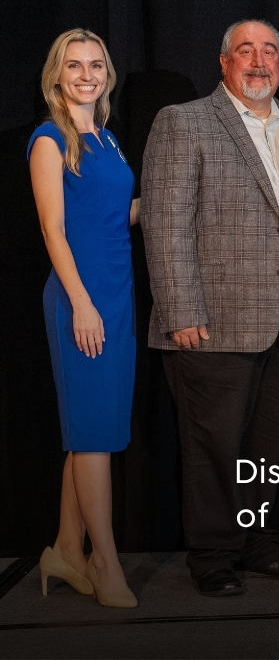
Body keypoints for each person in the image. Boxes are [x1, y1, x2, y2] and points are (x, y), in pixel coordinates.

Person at [141, 19, 279, 596]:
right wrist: (180, 309)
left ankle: (261, 547)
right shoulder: (184, 121)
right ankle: (213, 556)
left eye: (269, 51)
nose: (259, 60)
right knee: (214, 446)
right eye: (246, 50)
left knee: (271, 445)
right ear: (224, 63)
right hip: (210, 319)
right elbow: (165, 223)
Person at [29, 30, 138, 609]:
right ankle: (105, 561)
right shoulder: (50, 140)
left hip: (118, 296)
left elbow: (117, 214)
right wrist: (82, 303)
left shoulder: (109, 139)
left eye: (96, 64)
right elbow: (53, 231)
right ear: (57, 75)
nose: (86, 74)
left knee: (92, 432)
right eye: (74, 65)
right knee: (93, 435)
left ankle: (66, 550)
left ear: (107, 74)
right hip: (81, 300)